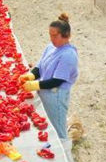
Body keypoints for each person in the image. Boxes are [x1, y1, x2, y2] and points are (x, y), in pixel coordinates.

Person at [19, 13, 79, 142]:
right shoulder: (51, 47)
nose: (52, 39)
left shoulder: (68, 55)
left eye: (55, 36)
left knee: (58, 128)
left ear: (66, 35)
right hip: (45, 90)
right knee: (46, 121)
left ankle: (65, 153)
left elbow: (57, 81)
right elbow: (40, 67)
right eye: (50, 35)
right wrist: (31, 75)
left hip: (56, 95)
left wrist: (35, 85)